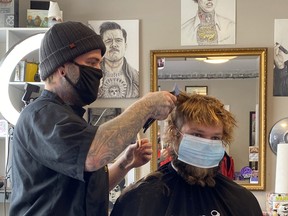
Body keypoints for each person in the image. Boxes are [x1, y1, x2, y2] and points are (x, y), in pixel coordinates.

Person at [10, 21, 176, 216]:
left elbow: (88, 193)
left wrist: (125, 164)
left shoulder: (71, 119)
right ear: (62, 68)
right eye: (91, 63)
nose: (99, 71)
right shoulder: (40, 116)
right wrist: (146, 105)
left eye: (99, 63)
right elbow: (93, 157)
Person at [111, 93, 263, 216]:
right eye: (197, 135)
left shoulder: (241, 200)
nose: (206, 145)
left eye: (215, 138)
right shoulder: (141, 198)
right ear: (174, 135)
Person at [98, 21, 139, 98]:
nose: (114, 45)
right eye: (108, 41)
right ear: (101, 47)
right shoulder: (92, 76)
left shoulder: (137, 78)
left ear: (125, 46)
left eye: (118, 40)